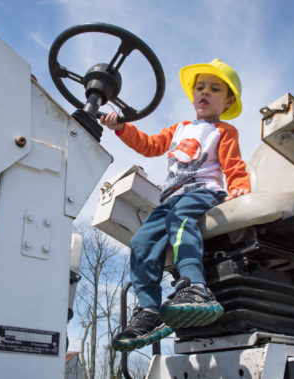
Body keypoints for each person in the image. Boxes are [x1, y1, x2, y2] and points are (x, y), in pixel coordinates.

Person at [100, 59, 251, 352]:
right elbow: (149, 145)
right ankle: (149, 311)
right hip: (169, 199)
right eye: (200, 87)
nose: (204, 92)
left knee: (181, 218)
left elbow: (234, 165)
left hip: (203, 193)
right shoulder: (179, 129)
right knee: (142, 240)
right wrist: (121, 127)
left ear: (228, 100)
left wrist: (240, 188)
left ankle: (196, 286)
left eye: (215, 88)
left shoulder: (223, 131)